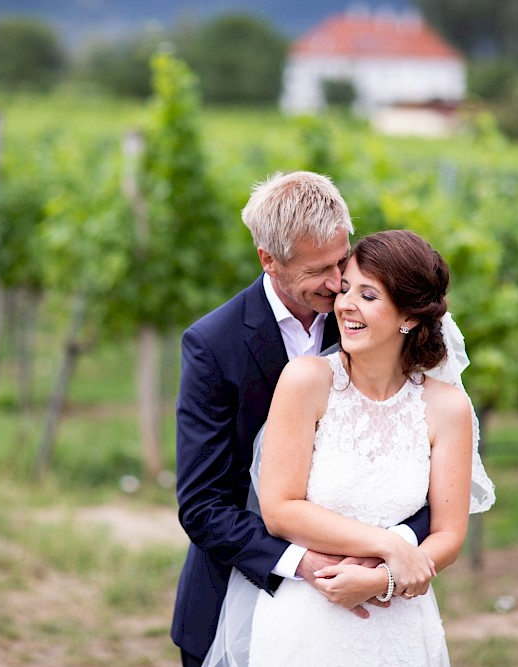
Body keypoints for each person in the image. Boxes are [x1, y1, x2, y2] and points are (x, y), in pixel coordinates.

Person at [172, 173, 433, 667]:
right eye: (319, 271)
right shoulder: (214, 345)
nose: (338, 284)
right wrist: (309, 566)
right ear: (268, 260)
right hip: (243, 589)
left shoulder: (371, 315)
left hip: (378, 595)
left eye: (342, 260)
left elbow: (421, 457)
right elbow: (203, 505)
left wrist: (387, 553)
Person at [207, 229, 495, 666]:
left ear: (410, 317)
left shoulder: (447, 407)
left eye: (368, 295)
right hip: (307, 618)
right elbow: (280, 509)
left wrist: (382, 580)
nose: (345, 305)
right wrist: (391, 546)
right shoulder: (308, 381)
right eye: (345, 289)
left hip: (397, 624)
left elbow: (449, 534)